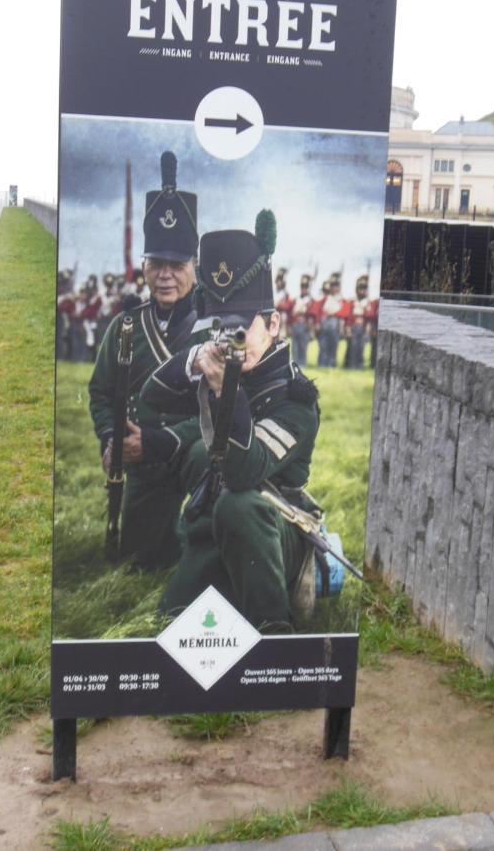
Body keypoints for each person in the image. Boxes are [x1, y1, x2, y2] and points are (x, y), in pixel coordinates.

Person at [141, 210, 321, 632]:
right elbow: (151, 398)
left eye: (242, 329)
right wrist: (193, 361)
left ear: (273, 324)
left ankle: (273, 625)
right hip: (219, 516)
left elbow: (243, 473)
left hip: (274, 531)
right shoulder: (218, 362)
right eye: (220, 329)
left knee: (239, 505)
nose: (230, 342)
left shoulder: (295, 400)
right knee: (173, 618)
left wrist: (226, 390)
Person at [88, 151, 203, 570]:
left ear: (194, 267)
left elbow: (227, 414)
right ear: (144, 267)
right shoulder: (125, 326)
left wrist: (157, 438)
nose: (166, 274)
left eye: (177, 264)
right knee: (141, 559)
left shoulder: (215, 326)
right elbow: (101, 392)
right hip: (145, 466)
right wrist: (110, 440)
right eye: (157, 264)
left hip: (197, 459)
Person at [289, 273, 314, 366]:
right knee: (295, 347)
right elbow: (290, 312)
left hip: (305, 326)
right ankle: (295, 364)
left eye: (306, 287)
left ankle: (303, 364)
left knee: (303, 346)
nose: (304, 289)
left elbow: (311, 314)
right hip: (295, 325)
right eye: (302, 287)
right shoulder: (296, 300)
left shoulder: (311, 300)